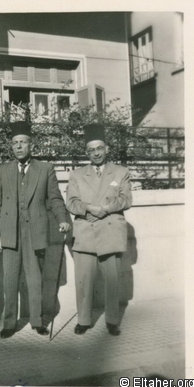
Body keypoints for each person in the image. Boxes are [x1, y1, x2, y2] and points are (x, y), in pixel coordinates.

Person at [0, 121, 70, 338]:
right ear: (11, 146)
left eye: (22, 142)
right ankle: (9, 324)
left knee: (35, 280)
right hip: (9, 233)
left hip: (35, 233)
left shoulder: (45, 169)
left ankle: (37, 321)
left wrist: (63, 218)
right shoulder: (2, 170)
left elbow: (54, 198)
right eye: (15, 143)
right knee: (9, 280)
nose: (18, 147)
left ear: (30, 145)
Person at [66, 124, 132, 336]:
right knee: (84, 281)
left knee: (112, 281)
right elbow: (71, 202)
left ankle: (112, 320)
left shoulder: (121, 172)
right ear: (86, 153)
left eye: (100, 148)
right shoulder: (76, 174)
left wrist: (106, 209)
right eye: (91, 150)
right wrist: (88, 208)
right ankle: (84, 320)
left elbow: (126, 199)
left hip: (111, 232)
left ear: (107, 149)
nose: (96, 153)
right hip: (85, 232)